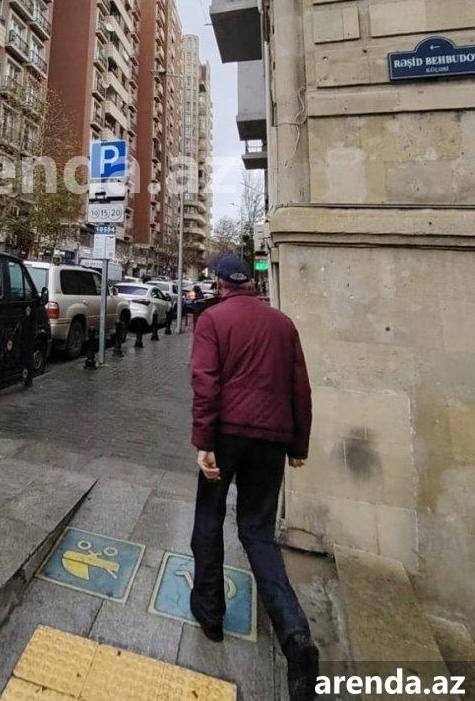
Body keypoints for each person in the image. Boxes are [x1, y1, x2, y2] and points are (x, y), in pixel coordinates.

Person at [189, 254, 318, 701]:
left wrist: (203, 441)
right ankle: (296, 636)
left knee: (209, 519)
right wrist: (298, 445)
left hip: (226, 435)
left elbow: (205, 382)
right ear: (249, 282)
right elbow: (300, 389)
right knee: (258, 532)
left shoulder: (212, 320)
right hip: (271, 441)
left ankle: (210, 614)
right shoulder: (283, 324)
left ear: (219, 283)